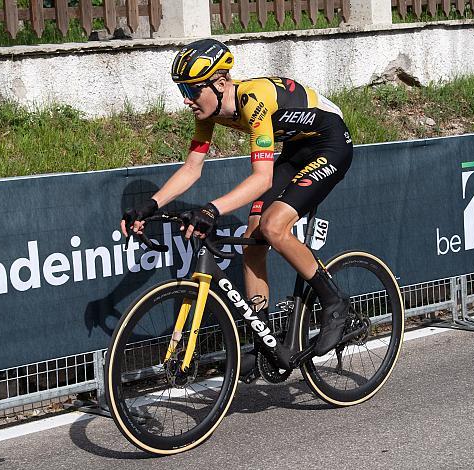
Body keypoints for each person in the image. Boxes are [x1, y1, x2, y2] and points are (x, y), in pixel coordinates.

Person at [121, 38, 353, 380]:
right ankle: (265, 342)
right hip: (295, 150)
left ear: (219, 83)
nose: (185, 98)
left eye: (190, 88)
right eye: (181, 89)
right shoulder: (209, 111)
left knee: (274, 227)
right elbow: (191, 169)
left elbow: (261, 179)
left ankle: (335, 305)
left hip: (330, 145)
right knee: (252, 241)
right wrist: (149, 206)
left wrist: (212, 209)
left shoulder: (252, 99)